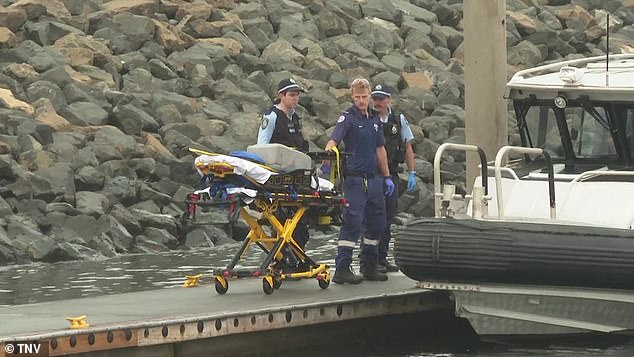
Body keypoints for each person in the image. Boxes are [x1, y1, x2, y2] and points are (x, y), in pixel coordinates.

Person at [325, 78, 395, 284]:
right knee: (353, 222)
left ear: (370, 96)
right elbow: (335, 138)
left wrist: (388, 176)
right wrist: (330, 149)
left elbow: (380, 149)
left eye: (365, 97)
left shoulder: (374, 119)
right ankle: (342, 267)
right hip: (355, 180)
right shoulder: (347, 117)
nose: (362, 101)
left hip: (374, 179)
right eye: (358, 97)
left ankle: (369, 264)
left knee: (377, 222)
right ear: (352, 97)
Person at [257, 78, 310, 264]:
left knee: (299, 223)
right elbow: (262, 147)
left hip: (296, 176)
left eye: (297, 95)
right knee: (280, 221)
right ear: (281, 96)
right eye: (292, 95)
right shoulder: (271, 117)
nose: (295, 99)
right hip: (278, 177)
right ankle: (280, 260)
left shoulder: (295, 118)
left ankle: (298, 257)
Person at [368, 84, 417, 273]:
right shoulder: (368, 119)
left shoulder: (398, 119)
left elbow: (408, 146)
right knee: (374, 218)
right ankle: (371, 260)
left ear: (389, 99)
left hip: (392, 174)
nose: (378, 102)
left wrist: (412, 172)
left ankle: (382, 257)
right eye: (375, 99)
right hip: (374, 174)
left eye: (381, 99)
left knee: (388, 217)